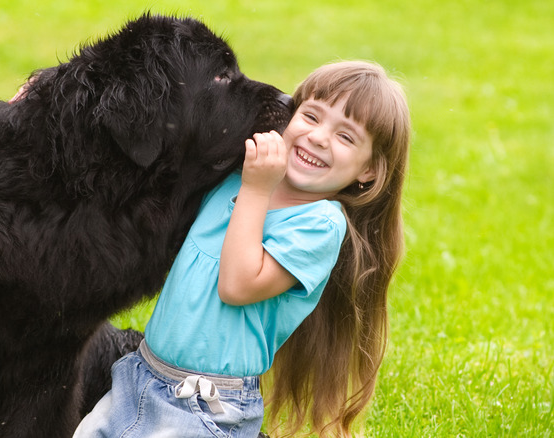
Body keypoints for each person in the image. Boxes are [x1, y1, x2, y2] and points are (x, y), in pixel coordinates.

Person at [73, 60, 411, 438]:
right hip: (139, 378)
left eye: (346, 137)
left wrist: (255, 189)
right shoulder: (240, 171)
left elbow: (237, 285)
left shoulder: (319, 224)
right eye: (311, 116)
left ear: (369, 172)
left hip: (205, 407)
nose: (318, 137)